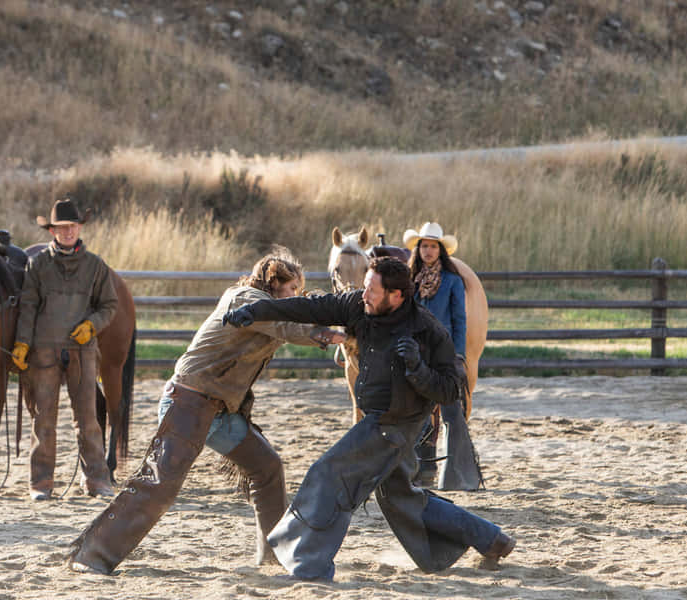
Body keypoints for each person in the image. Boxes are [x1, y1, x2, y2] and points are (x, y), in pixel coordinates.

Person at [222, 257, 515, 581]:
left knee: (329, 473)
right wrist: (257, 311)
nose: (364, 295)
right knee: (400, 498)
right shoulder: (357, 306)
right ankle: (491, 539)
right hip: (379, 417)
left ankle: (307, 566)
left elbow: (449, 390)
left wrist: (418, 370)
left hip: (397, 425)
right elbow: (310, 308)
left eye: (373, 291)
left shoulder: (427, 330)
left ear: (396, 296)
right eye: (365, 288)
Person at [67, 250, 346, 574]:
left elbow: (288, 321)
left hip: (219, 411)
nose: (296, 297)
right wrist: (326, 333)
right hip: (188, 403)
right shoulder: (245, 300)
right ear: (275, 283)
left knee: (267, 467)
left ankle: (274, 554)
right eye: (293, 289)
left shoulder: (268, 308)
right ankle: (92, 555)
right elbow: (287, 325)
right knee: (158, 485)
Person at [12, 197, 119, 501]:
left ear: (79, 228)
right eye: (62, 227)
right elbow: (29, 307)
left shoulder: (95, 266)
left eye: (72, 226)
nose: (68, 231)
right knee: (43, 418)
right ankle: (41, 484)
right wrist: (22, 343)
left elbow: (110, 305)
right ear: (53, 231)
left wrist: (92, 325)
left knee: (87, 419)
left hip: (82, 352)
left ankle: (97, 481)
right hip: (43, 352)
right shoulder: (38, 265)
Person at [403, 222, 480, 490]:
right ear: (418, 249)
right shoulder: (409, 280)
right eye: (424, 246)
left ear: (440, 251)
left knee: (450, 411)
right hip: (416, 353)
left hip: (443, 352)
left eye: (433, 246)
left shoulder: (452, 281)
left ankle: (457, 473)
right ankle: (422, 469)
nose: (428, 251)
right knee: (417, 411)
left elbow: (460, 320)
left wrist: (458, 355)